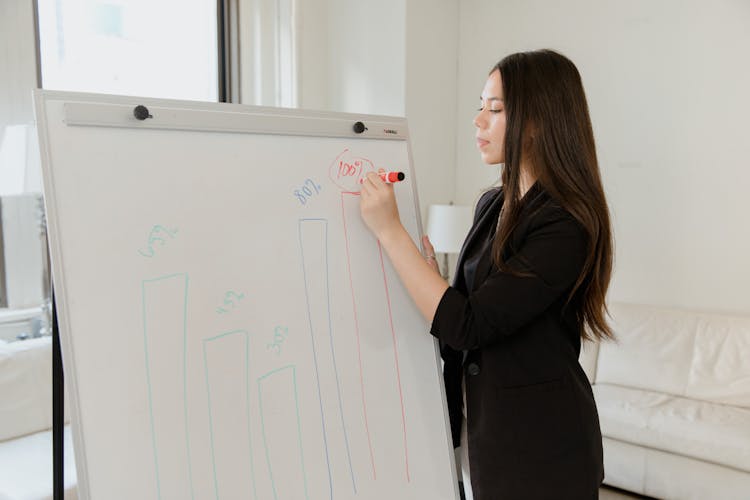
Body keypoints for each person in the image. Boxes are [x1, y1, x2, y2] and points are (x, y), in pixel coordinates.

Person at [359, 49, 613, 499]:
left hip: (541, 449)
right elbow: (459, 318)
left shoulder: (565, 224)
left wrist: (390, 231)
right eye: (480, 106)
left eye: (495, 110)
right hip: (479, 433)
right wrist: (427, 269)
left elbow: (468, 325)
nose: (478, 121)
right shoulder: (490, 205)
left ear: (538, 122)